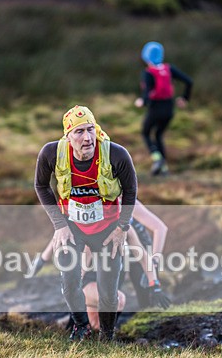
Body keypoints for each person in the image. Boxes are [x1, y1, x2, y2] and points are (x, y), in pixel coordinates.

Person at [35, 105, 138, 341]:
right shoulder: (52, 153)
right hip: (72, 228)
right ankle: (80, 327)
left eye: (91, 129)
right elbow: (41, 186)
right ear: (68, 136)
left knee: (109, 292)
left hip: (108, 229)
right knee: (69, 281)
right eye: (79, 132)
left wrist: (123, 227)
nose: (87, 137)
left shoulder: (116, 154)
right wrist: (59, 225)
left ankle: (107, 335)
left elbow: (131, 190)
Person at [31, 200, 170, 309]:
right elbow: (67, 235)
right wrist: (73, 282)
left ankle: (105, 330)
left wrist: (155, 284)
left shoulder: (127, 226)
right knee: (95, 314)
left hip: (112, 262)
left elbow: (143, 253)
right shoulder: (94, 220)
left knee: (116, 299)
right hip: (90, 272)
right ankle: (78, 322)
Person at [134, 41, 193, 175]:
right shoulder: (168, 69)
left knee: (145, 132)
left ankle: (157, 158)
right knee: (159, 135)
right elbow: (189, 81)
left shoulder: (148, 73)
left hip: (156, 108)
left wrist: (141, 102)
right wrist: (185, 98)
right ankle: (164, 168)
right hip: (169, 109)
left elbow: (147, 93)